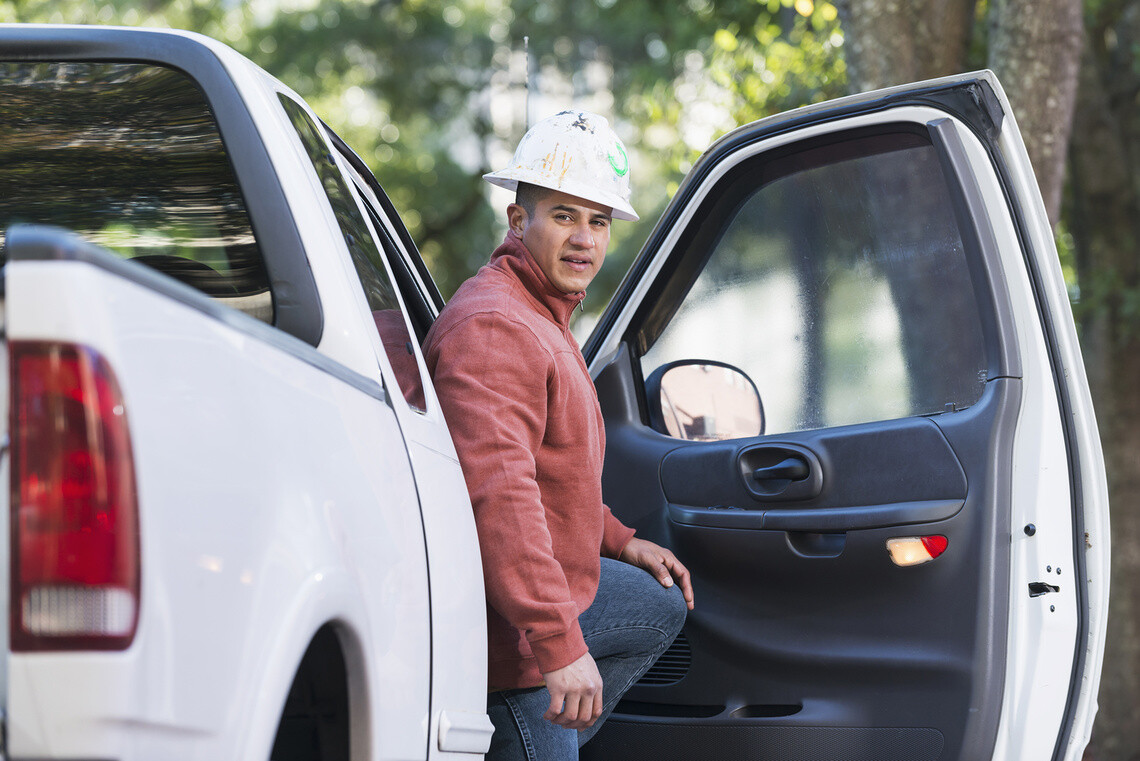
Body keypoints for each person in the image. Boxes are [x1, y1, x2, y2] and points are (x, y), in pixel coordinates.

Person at [422, 110, 694, 761]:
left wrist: (619, 539)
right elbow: (500, 496)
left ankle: (553, 732)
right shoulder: (497, 327)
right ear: (520, 222)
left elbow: (552, 473)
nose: (585, 239)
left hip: (537, 610)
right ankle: (523, 732)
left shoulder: (540, 313)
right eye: (565, 215)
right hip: (510, 645)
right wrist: (560, 647)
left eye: (598, 221)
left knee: (659, 604)